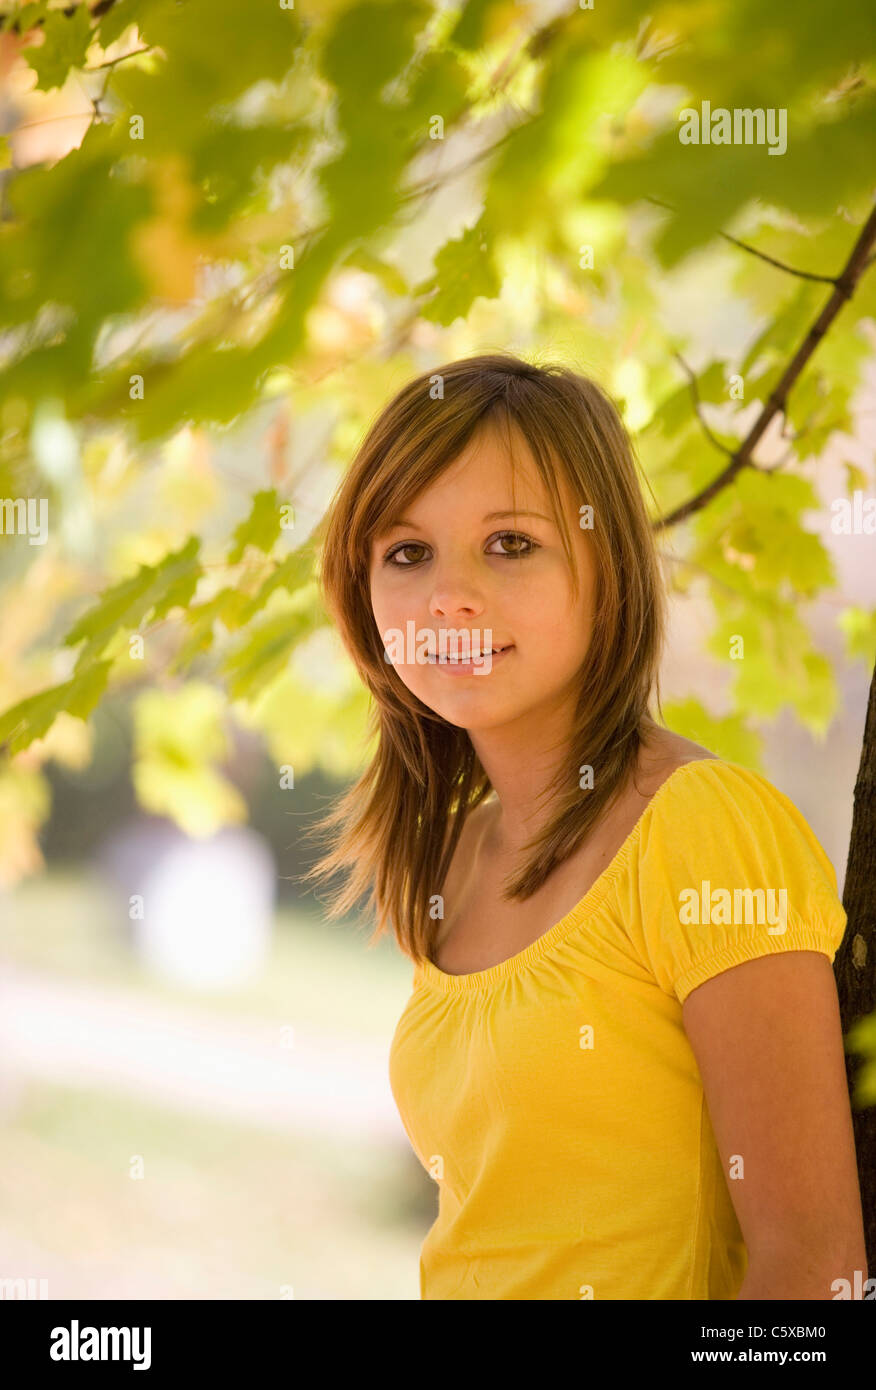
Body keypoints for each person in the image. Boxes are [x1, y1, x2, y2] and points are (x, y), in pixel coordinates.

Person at [301, 352, 867, 1300]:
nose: (449, 596)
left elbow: (817, 1274)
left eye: (510, 543)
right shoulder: (456, 856)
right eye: (407, 553)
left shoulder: (704, 829)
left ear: (607, 569)